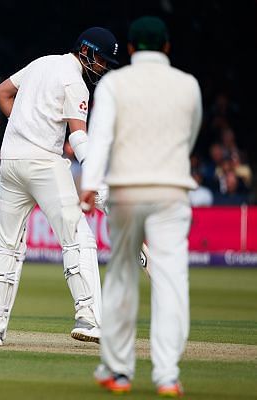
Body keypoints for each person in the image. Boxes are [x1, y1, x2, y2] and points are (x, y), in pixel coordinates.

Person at [79, 16, 202, 397]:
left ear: (130, 49)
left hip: (126, 190)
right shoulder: (188, 85)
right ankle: (167, 376)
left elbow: (98, 139)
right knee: (171, 283)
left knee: (120, 281)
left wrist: (89, 184)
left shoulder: (115, 82)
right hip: (171, 191)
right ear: (166, 47)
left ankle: (118, 371)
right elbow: (190, 135)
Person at [0, 27, 119, 346]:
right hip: (43, 162)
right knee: (77, 237)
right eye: (102, 61)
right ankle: (90, 318)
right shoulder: (76, 83)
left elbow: (0, 92)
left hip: (10, 159)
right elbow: (78, 137)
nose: (103, 67)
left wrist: (25, 125)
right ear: (87, 51)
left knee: (6, 244)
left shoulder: (41, 63)